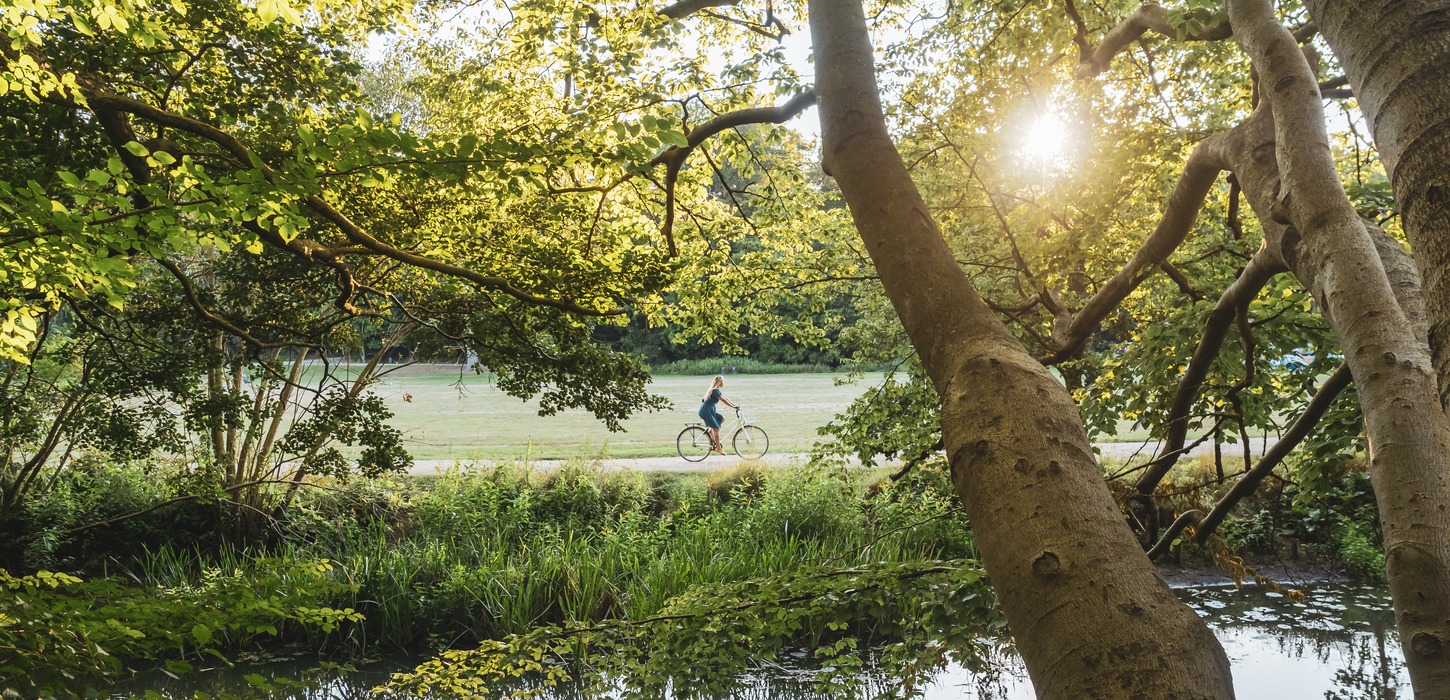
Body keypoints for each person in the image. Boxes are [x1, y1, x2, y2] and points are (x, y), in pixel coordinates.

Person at [698, 375, 737, 455]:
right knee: (716, 429)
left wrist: (735, 406)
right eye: (722, 381)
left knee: (722, 418)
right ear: (719, 382)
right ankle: (718, 448)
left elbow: (726, 398)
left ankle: (711, 432)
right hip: (706, 411)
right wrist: (733, 407)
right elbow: (723, 400)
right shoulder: (715, 391)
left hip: (710, 410)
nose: (723, 383)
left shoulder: (716, 390)